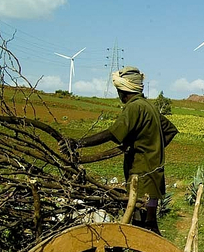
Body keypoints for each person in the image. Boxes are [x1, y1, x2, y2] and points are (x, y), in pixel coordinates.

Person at [60, 66, 178, 234]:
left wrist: (78, 143)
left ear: (123, 90)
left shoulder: (134, 107)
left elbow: (111, 133)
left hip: (141, 175)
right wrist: (153, 149)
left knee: (141, 222)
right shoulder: (148, 106)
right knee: (150, 223)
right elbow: (170, 131)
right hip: (154, 175)